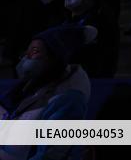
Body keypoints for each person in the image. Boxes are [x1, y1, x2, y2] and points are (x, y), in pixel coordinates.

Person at [0, 25, 95, 160]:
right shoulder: (27, 86)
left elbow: (50, 155)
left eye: (35, 51)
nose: (26, 58)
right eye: (27, 52)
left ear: (54, 57)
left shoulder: (69, 100)